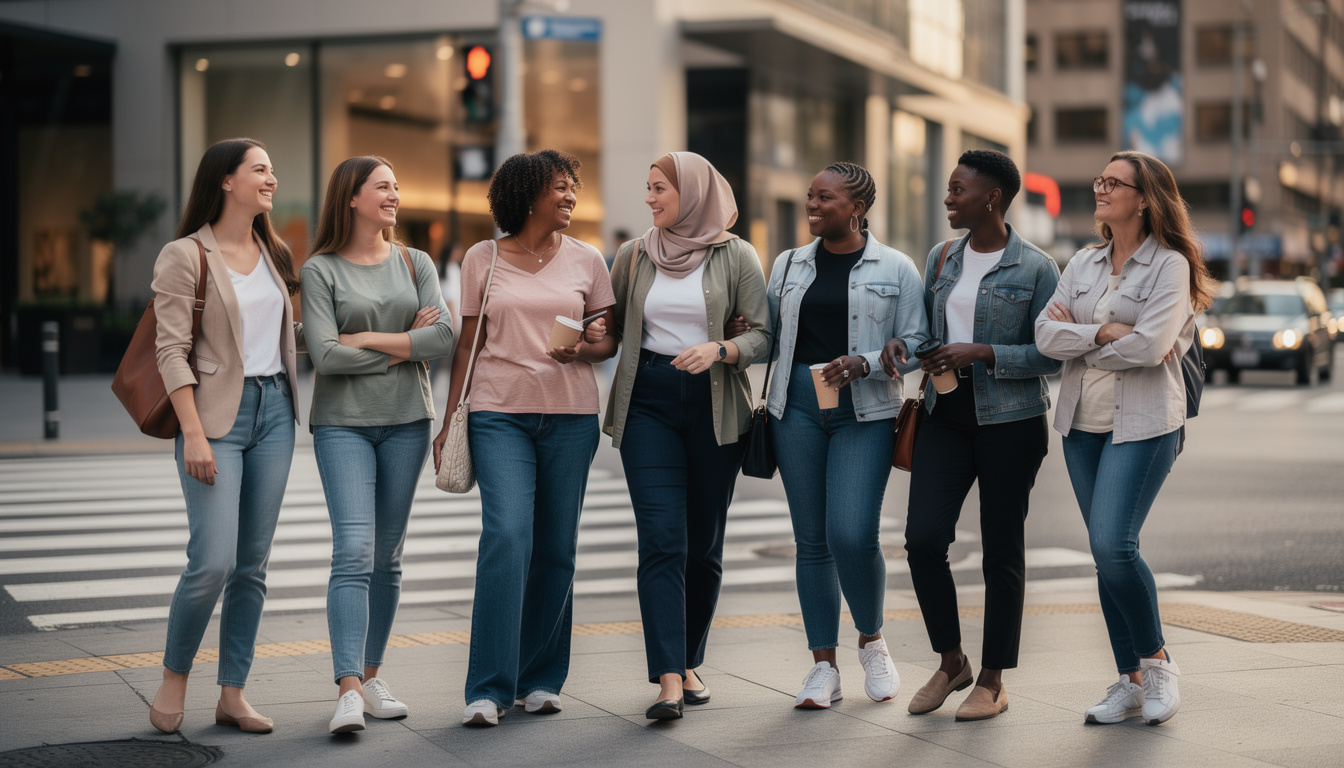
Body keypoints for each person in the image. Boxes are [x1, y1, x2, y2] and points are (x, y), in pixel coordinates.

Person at [432, 149, 616, 727]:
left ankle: (539, 677)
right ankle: (488, 686)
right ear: (527, 194)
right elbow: (467, 344)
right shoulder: (482, 258)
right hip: (497, 412)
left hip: (570, 415)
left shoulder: (588, 261)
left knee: (556, 547)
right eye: (560, 187)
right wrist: (447, 419)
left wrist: (583, 347)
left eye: (573, 188)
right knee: (508, 536)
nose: (570, 196)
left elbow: (606, 341)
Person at [1034, 150, 1213, 726]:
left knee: (1114, 546)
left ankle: (1158, 661)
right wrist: (1104, 332)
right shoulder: (1084, 262)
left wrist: (1084, 339)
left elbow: (1152, 346)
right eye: (1100, 179)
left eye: (1115, 182)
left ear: (1144, 197)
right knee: (1102, 556)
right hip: (1081, 425)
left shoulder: (1170, 265)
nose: (1102, 188)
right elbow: (1043, 334)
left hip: (1145, 423)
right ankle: (1129, 679)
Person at [886, 150, 1060, 721]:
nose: (948, 197)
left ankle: (992, 678)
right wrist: (902, 350)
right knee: (923, 539)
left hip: (1011, 422)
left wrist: (984, 352)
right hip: (945, 415)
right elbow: (925, 335)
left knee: (1001, 551)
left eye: (958, 189)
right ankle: (951, 660)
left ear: (993, 197)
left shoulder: (1036, 268)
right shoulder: (940, 259)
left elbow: (1052, 355)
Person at [603, 152, 770, 720]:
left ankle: (689, 657)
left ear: (693, 193)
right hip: (647, 401)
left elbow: (764, 335)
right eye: (647, 189)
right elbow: (613, 323)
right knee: (661, 540)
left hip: (715, 404)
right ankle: (669, 679)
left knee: (703, 545)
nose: (650, 200)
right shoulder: (632, 255)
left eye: (660, 189)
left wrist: (722, 349)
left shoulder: (737, 254)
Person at [148, 138, 302, 735]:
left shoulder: (275, 250)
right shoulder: (184, 254)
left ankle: (232, 694)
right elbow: (171, 349)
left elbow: (285, 337)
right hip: (215, 420)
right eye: (260, 170)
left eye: (272, 169)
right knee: (211, 561)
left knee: (252, 566)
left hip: (276, 415)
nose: (271, 179)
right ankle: (174, 676)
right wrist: (193, 433)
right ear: (226, 182)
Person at [764, 162, 928, 710]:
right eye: (810, 196)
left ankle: (873, 640)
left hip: (867, 411)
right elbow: (768, 333)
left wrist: (871, 363)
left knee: (852, 533)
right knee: (811, 541)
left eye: (824, 198)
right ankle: (823, 669)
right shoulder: (788, 265)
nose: (812, 206)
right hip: (797, 409)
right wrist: (741, 334)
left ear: (856, 208)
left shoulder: (897, 267)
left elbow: (918, 338)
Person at [302, 156, 454, 734]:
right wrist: (403, 343)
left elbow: (441, 336)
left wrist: (365, 337)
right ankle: (346, 688)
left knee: (387, 557)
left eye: (396, 185)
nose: (394, 194)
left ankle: (369, 676)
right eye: (382, 186)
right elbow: (324, 356)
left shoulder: (415, 262)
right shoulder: (321, 271)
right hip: (342, 424)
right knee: (355, 551)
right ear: (352, 198)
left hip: (408, 421)